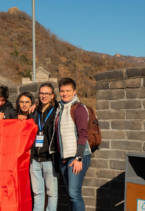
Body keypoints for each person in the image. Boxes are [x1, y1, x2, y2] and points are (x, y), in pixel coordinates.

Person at [19, 85, 59, 211]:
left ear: (52, 95)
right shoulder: (34, 111)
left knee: (52, 193)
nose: (44, 95)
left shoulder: (56, 111)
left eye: (47, 93)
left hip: (49, 159)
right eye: (42, 93)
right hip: (35, 160)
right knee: (38, 193)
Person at [55, 78, 91, 211]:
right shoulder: (60, 108)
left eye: (68, 91)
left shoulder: (79, 108)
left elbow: (83, 134)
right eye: (62, 91)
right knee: (71, 195)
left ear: (74, 91)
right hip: (64, 158)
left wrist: (79, 158)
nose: (64, 94)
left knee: (74, 194)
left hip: (77, 157)